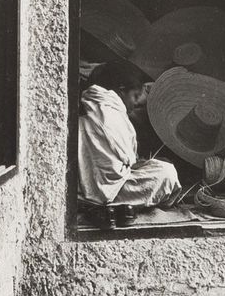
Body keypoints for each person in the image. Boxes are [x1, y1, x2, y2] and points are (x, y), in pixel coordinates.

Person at [77, 58, 182, 213]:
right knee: (167, 174)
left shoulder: (89, 105)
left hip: (83, 187)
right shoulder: (112, 113)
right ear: (122, 90)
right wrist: (143, 164)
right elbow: (126, 165)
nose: (135, 103)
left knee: (159, 167)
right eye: (134, 95)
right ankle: (107, 206)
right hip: (107, 191)